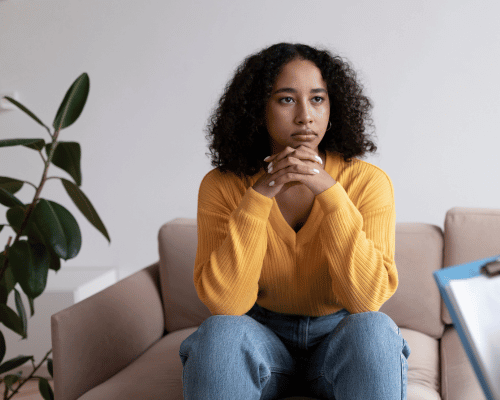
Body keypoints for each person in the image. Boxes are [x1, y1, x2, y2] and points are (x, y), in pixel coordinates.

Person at [179, 42, 410, 400]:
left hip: (339, 335)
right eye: (286, 99)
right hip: (260, 335)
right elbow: (227, 306)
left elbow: (367, 299)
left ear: (333, 108)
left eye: (317, 99)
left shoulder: (367, 182)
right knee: (219, 333)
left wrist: (330, 193)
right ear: (258, 109)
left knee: (375, 330)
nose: (305, 116)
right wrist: (259, 197)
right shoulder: (223, 185)